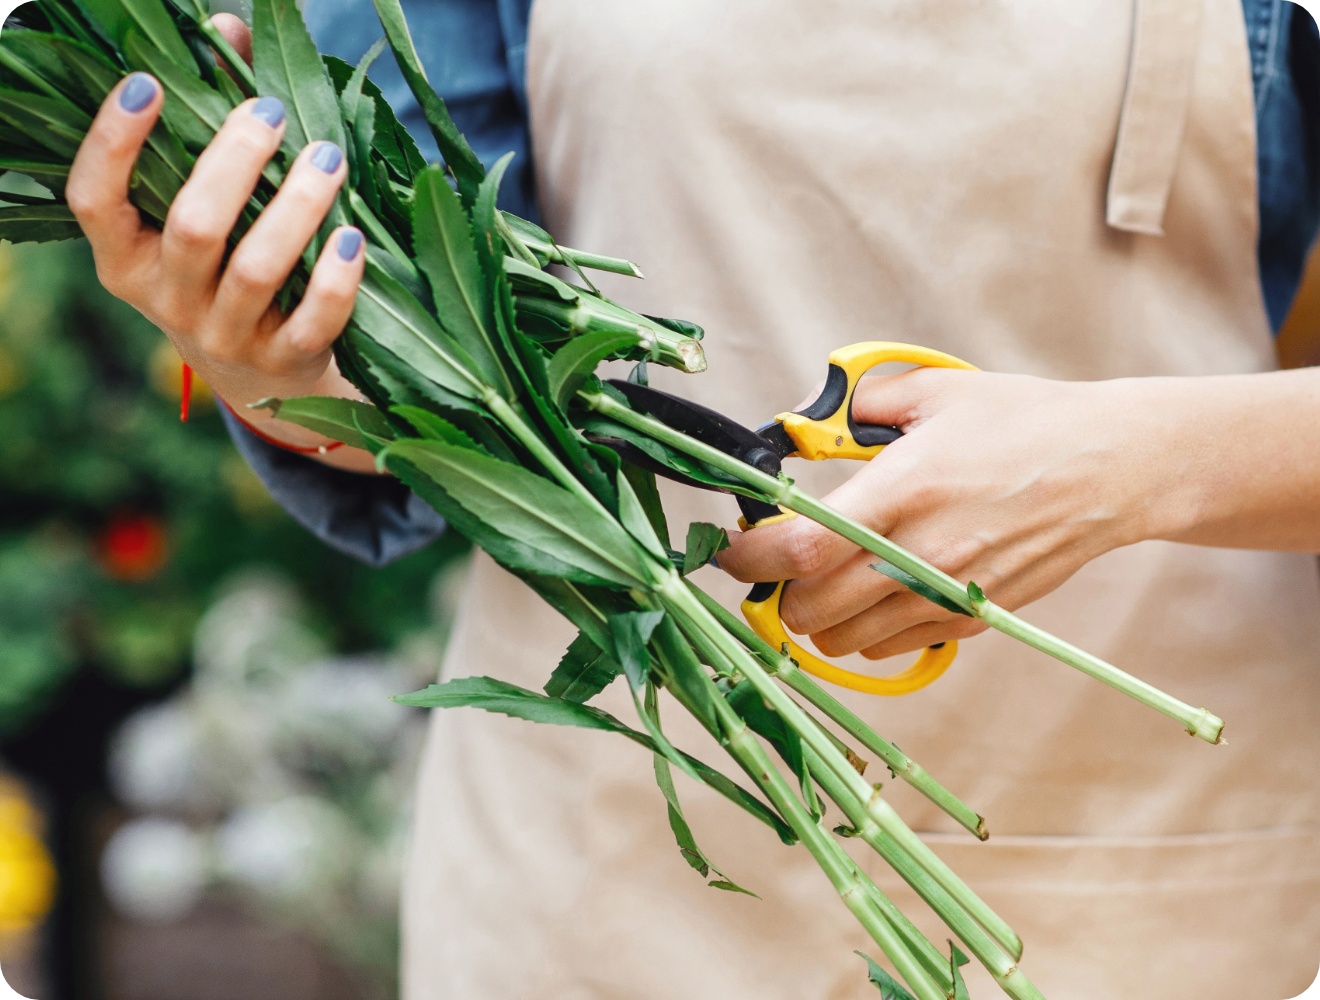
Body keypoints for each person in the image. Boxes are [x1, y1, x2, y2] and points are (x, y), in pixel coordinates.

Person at [65, 0, 1320, 996]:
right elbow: (405, 361)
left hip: (1162, 861)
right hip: (600, 893)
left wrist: (1130, 462)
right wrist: (280, 355)